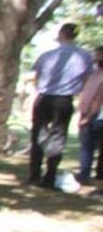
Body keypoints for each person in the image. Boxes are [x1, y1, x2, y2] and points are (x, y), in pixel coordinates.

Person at [28, 23, 94, 188]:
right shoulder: (85, 56)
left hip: (45, 97)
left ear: (62, 34)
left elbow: (36, 76)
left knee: (38, 134)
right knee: (58, 136)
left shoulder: (47, 55)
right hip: (64, 100)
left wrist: (39, 90)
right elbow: (86, 80)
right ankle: (49, 176)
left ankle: (34, 175)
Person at [75, 46, 103, 189]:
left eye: (98, 55)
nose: (96, 58)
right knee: (86, 146)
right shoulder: (93, 73)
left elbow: (98, 100)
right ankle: (84, 174)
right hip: (88, 111)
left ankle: (96, 179)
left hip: (96, 115)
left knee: (92, 146)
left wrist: (89, 116)